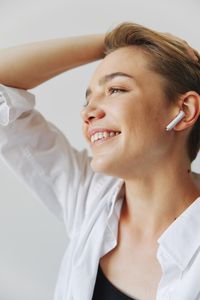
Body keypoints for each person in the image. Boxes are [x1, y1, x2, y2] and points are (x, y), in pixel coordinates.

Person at [0, 22, 200, 300]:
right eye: (88, 99)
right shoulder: (90, 197)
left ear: (184, 110)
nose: (89, 112)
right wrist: (107, 42)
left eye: (115, 90)